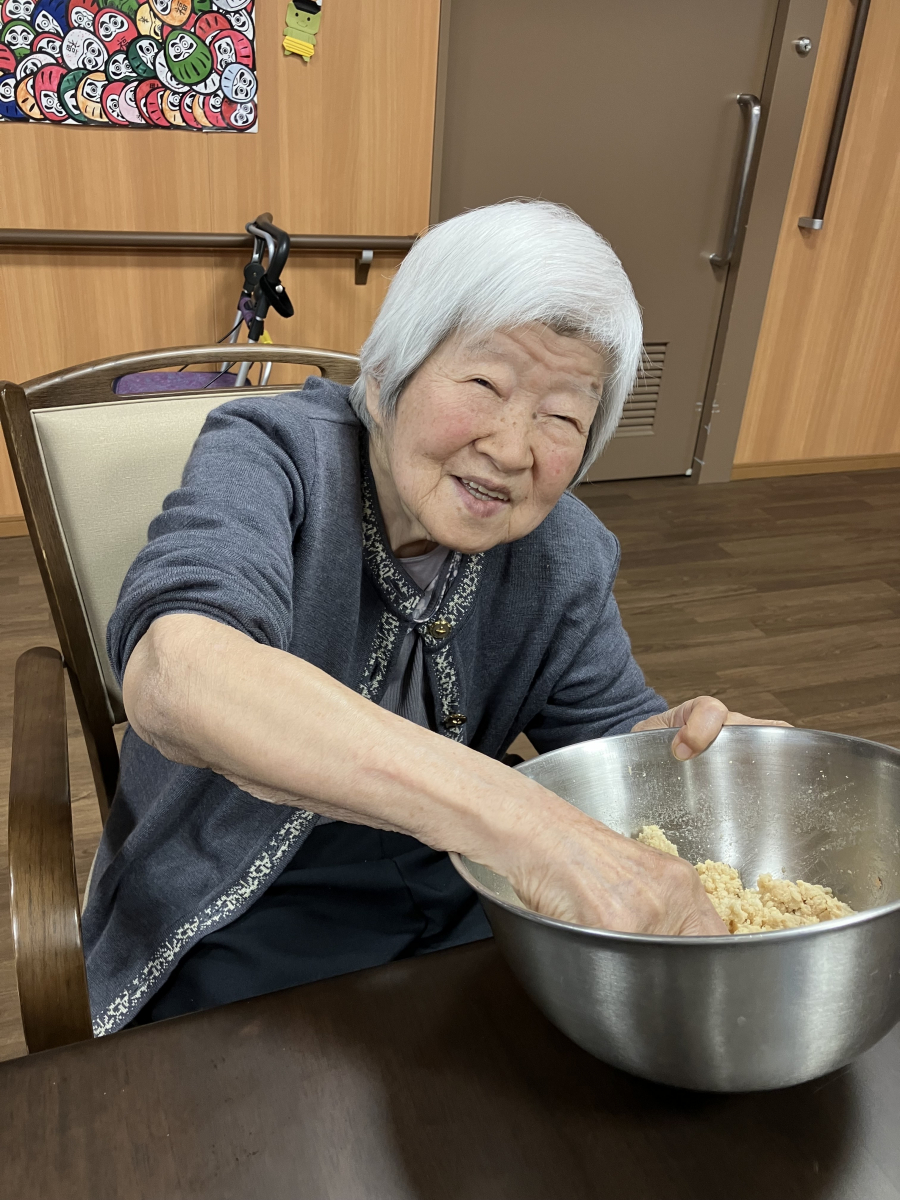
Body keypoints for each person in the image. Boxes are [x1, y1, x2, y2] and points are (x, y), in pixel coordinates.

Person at [82, 200, 785, 1036]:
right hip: (241, 898)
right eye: (485, 384)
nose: (513, 449)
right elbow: (179, 673)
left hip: (461, 883)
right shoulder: (274, 452)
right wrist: (523, 825)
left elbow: (606, 741)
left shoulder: (564, 551)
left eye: (564, 417)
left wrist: (668, 747)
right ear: (385, 376)